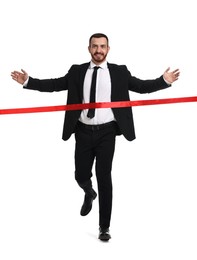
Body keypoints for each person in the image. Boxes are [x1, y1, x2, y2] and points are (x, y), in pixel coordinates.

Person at [11, 33, 180, 241]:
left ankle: (104, 227)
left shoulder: (119, 72)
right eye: (94, 46)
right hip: (82, 131)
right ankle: (89, 192)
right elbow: (54, 85)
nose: (98, 50)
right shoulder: (77, 71)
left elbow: (141, 87)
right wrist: (28, 81)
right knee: (80, 175)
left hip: (107, 132)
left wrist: (164, 81)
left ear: (108, 49)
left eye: (102, 46)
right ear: (88, 48)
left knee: (104, 176)